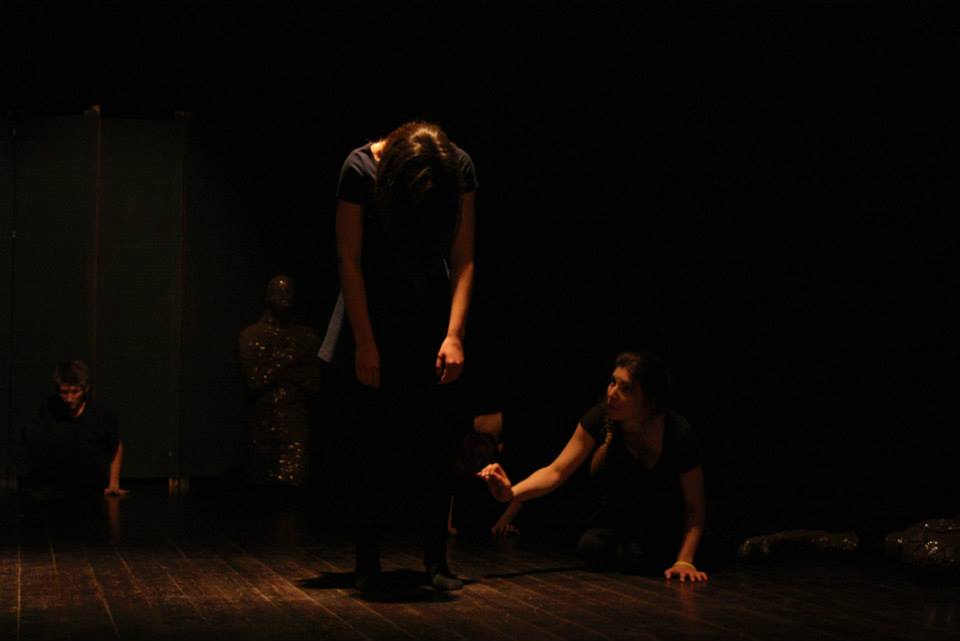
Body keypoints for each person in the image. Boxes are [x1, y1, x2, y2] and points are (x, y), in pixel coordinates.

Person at [318, 121, 477, 592]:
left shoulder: (456, 167)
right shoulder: (360, 168)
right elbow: (349, 259)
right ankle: (367, 561)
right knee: (370, 439)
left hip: (430, 310)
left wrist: (455, 334)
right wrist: (365, 341)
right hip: (374, 308)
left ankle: (436, 560)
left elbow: (464, 256)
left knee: (437, 438)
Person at [479, 352, 708, 582]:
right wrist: (511, 493)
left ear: (649, 399)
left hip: (665, 519)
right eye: (612, 382)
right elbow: (556, 471)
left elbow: (694, 506)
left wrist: (684, 560)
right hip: (621, 517)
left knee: (636, 557)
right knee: (591, 548)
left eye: (625, 388)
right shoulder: (601, 416)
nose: (612, 393)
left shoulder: (677, 433)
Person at [239, 274, 323, 488]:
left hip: (295, 423)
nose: (284, 298)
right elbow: (255, 379)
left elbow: (313, 382)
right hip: (263, 424)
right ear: (268, 296)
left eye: (288, 293)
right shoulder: (252, 335)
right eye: (279, 292)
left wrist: (274, 367)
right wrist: (291, 361)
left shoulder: (307, 337)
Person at [22, 360, 127, 497]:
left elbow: (115, 445)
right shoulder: (48, 410)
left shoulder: (101, 414)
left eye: (74, 392)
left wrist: (113, 483)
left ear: (85, 389)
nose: (69, 398)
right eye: (64, 392)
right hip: (56, 488)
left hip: (92, 488)